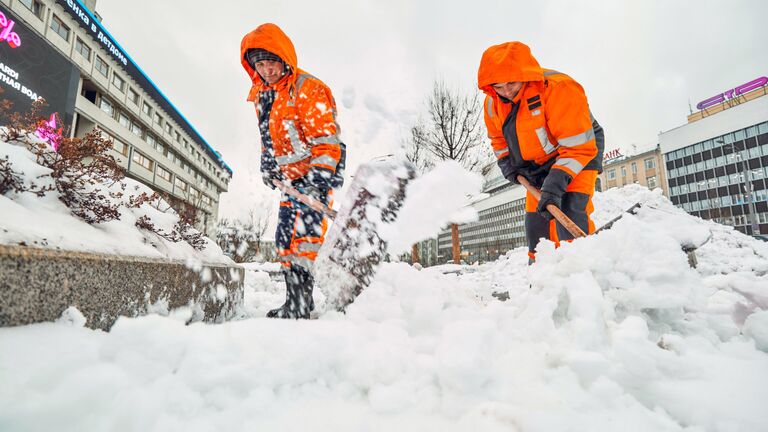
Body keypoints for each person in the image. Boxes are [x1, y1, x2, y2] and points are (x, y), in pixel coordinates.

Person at [240, 23, 345, 318]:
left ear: (283, 58)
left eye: (271, 62)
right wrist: (267, 163)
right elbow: (268, 136)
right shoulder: (262, 94)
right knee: (285, 238)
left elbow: (327, 141)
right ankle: (297, 301)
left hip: (316, 175)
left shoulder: (308, 89)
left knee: (305, 241)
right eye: (260, 64)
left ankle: (299, 305)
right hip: (290, 180)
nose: (267, 70)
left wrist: (317, 180)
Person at [478, 41, 604, 263]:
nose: (506, 91)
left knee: (570, 208)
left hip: (578, 152)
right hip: (537, 163)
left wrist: (555, 184)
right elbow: (498, 140)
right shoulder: (492, 104)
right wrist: (507, 163)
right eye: (498, 86)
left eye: (511, 83)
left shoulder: (558, 89)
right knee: (536, 222)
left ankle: (581, 270)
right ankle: (540, 280)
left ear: (525, 75)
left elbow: (578, 146)